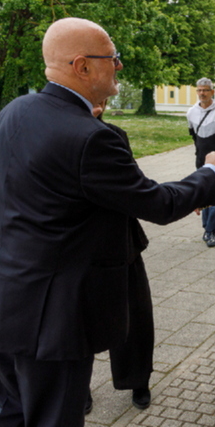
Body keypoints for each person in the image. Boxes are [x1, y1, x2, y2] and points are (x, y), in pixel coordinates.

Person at [0, 17, 215, 427]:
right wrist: (213, 172)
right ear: (82, 66)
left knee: (11, 411)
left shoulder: (13, 111)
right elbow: (157, 204)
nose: (119, 65)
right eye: (112, 58)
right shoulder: (90, 136)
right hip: (51, 316)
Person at [91, 100, 153, 411]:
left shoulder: (115, 134)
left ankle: (137, 379)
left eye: (102, 99)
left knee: (134, 314)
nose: (98, 103)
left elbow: (135, 183)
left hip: (121, 237)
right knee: (77, 318)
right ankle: (78, 385)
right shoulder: (57, 131)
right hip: (80, 243)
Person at [186, 78, 215, 247]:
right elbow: (193, 135)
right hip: (201, 159)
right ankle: (207, 227)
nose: (202, 93)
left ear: (212, 92)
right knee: (203, 192)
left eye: (205, 90)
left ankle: (212, 231)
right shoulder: (191, 112)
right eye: (199, 90)